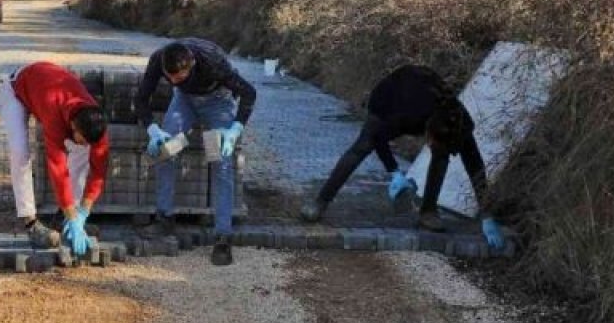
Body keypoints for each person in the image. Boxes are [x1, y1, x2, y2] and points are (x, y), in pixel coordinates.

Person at [299, 64, 506, 249]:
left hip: (420, 91)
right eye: (433, 142)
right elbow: (379, 139)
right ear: (427, 131)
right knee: (362, 146)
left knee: (441, 155)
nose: (432, 146)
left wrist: (486, 214)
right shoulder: (406, 116)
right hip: (388, 97)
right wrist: (395, 172)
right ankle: (321, 201)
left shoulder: (459, 121)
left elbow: (476, 166)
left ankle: (428, 212)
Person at [135, 39, 257, 266]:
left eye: (179, 77)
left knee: (219, 160)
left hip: (217, 102)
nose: (173, 80)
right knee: (167, 150)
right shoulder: (158, 59)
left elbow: (249, 92)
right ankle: (165, 217)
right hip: (184, 101)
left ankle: (223, 236)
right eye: (169, 78)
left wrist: (234, 129)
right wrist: (153, 130)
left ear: (190, 65)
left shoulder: (213, 62)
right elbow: (141, 99)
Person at [0, 61, 109, 255]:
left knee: (82, 153)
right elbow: (58, 170)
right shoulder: (55, 115)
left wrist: (83, 211)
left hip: (43, 86)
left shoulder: (95, 123)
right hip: (16, 90)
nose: (84, 143)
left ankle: (67, 218)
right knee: (20, 153)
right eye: (82, 139)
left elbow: (99, 171)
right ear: (73, 126)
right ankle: (31, 223)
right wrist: (74, 214)